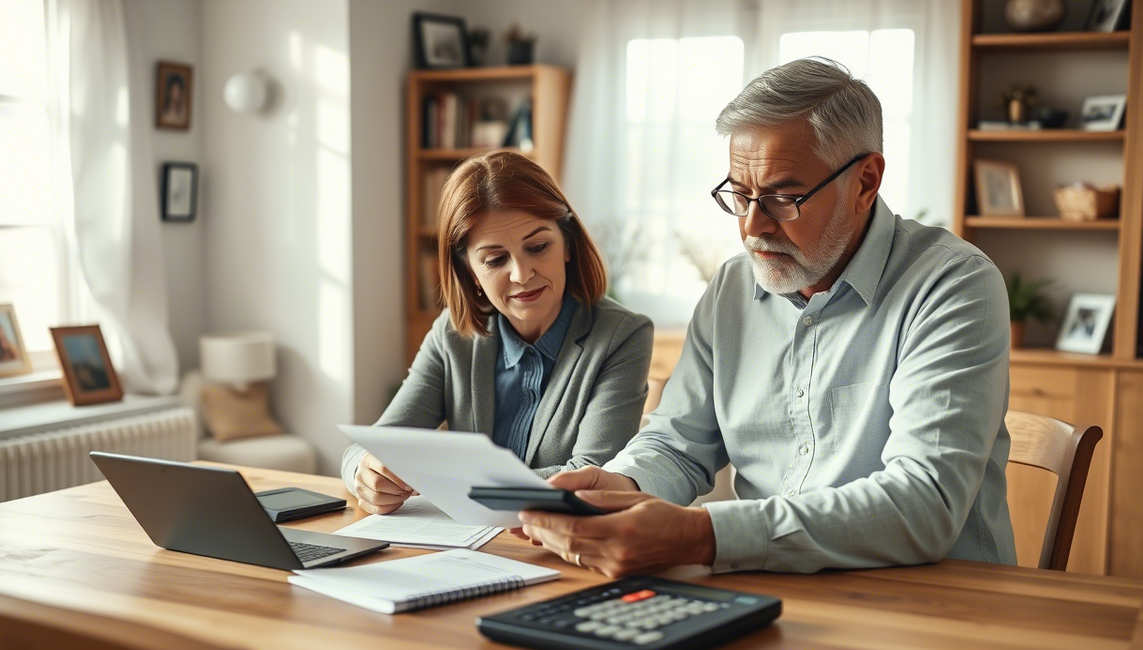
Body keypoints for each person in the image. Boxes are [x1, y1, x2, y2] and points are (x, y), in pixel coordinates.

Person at [516, 58, 1016, 576]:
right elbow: (678, 441)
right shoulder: (732, 287)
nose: (753, 226)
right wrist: (620, 486)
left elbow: (924, 505)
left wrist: (701, 534)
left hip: (940, 608)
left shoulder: (953, 286)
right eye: (739, 194)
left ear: (866, 181)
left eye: (782, 197)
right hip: (774, 595)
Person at [341, 150, 654, 515]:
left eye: (538, 247)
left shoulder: (622, 335)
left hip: (558, 547)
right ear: (471, 271)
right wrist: (364, 472)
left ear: (567, 243)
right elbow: (374, 445)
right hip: (462, 549)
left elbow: (592, 477)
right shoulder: (451, 335)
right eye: (494, 259)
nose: (522, 274)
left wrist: (454, 485)